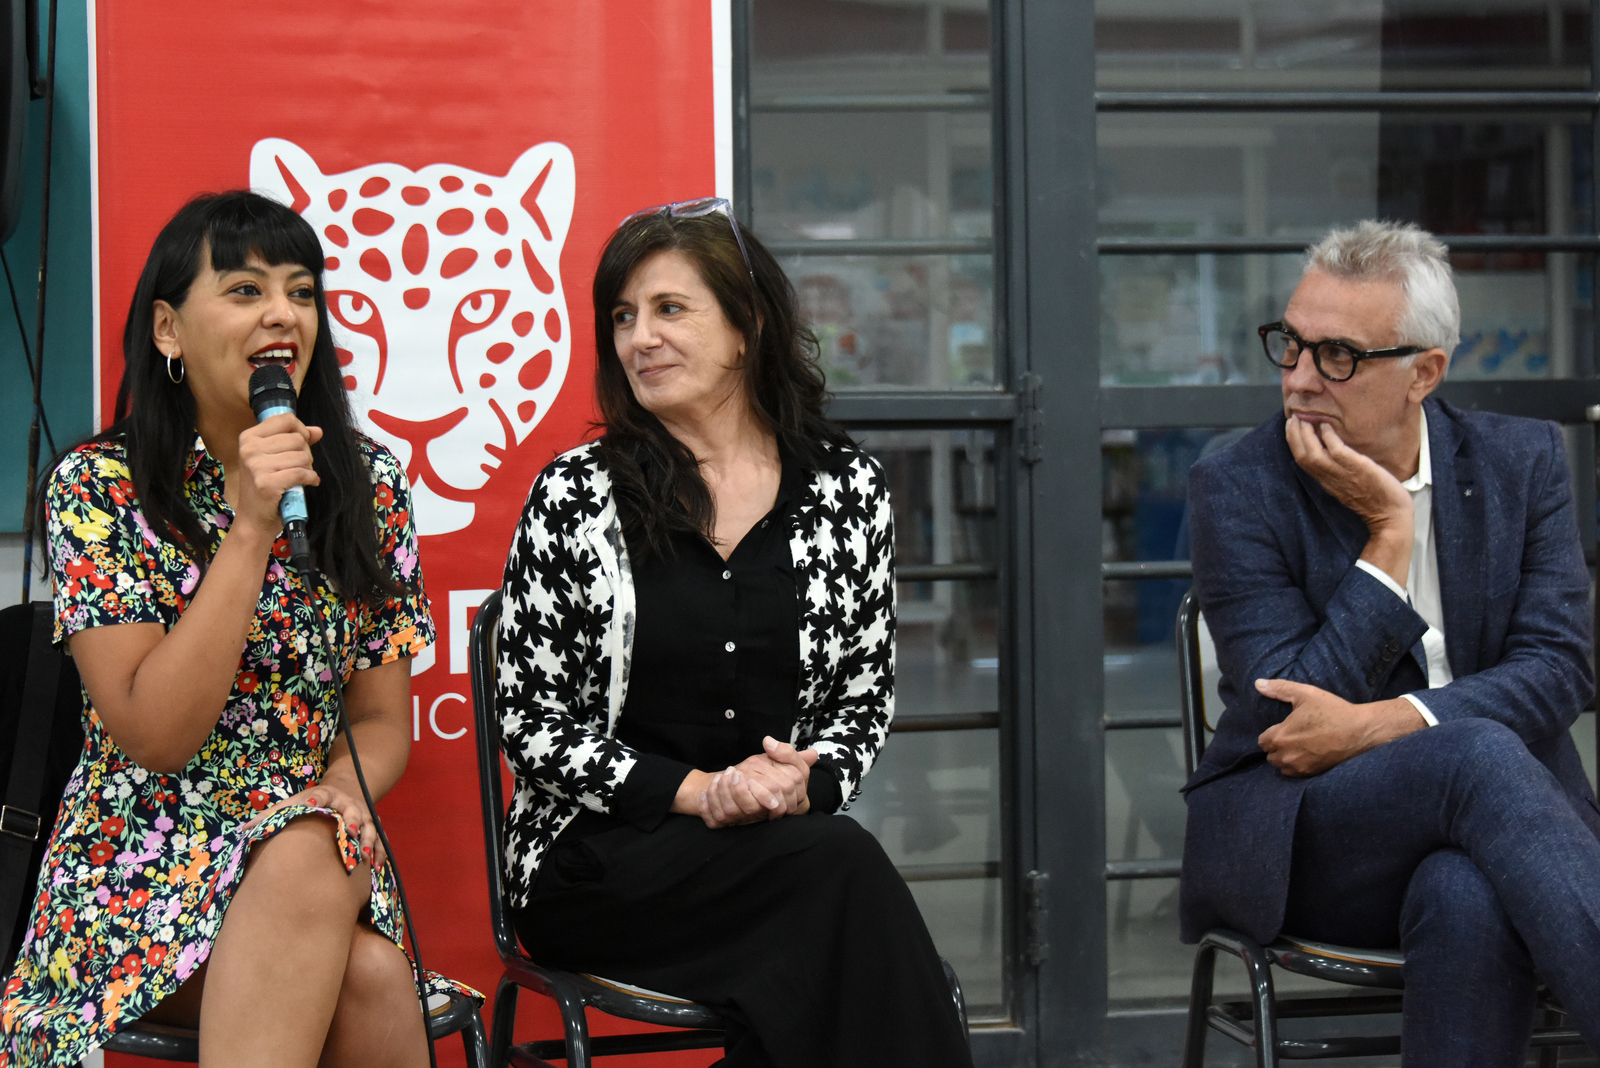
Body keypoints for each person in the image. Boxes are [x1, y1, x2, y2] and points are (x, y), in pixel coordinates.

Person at [495, 198, 972, 1068]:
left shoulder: (846, 490)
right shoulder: (575, 494)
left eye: (670, 309)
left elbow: (862, 700)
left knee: (823, 950)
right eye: (623, 317)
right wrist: (696, 791)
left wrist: (802, 782)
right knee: (844, 898)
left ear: (748, 326)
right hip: (600, 862)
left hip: (777, 851)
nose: (640, 338)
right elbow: (528, 722)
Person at [0, 192, 467, 1068]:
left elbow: (378, 720)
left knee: (322, 864)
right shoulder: (98, 487)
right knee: (368, 972)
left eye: (301, 291)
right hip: (136, 869)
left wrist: (341, 790)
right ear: (168, 330)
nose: (283, 313)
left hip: (309, 847)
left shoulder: (366, 483)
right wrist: (251, 527)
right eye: (246, 290)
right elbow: (156, 735)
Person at [1181, 219, 1600, 1064]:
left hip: (1505, 838)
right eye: (1291, 344)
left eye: (1338, 355)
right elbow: (1292, 720)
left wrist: (1386, 722)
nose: (1300, 378)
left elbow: (1560, 668)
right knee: (1477, 751)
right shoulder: (1239, 484)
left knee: (1467, 893)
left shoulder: (1521, 462)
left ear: (1424, 373)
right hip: (1311, 835)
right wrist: (1388, 535)